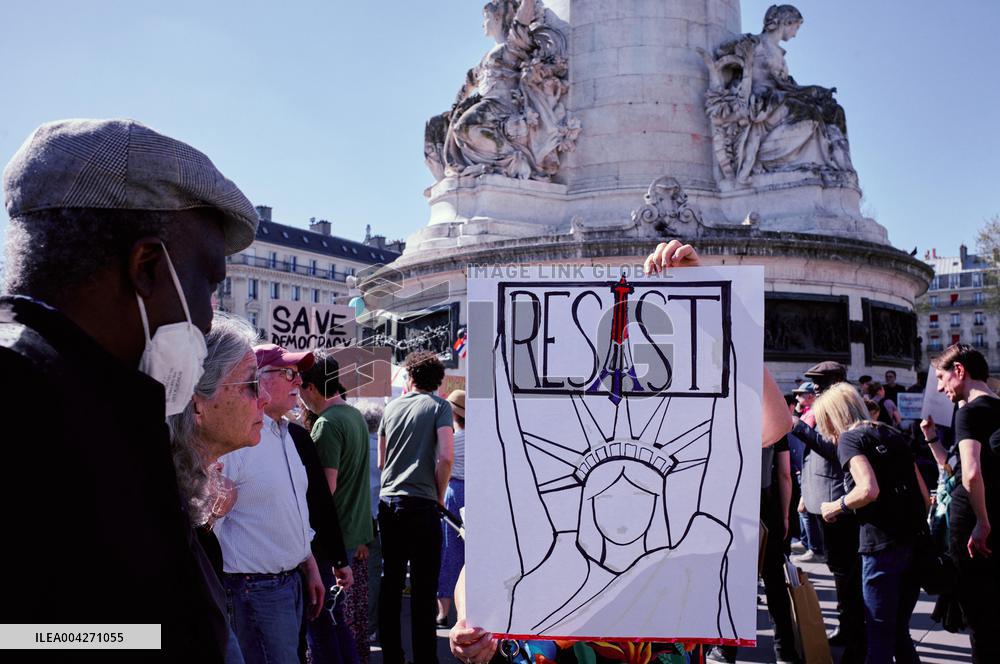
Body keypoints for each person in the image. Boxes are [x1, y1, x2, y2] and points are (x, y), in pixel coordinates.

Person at [451, 240, 793, 663]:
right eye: (610, 497)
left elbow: (773, 423)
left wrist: (712, 303)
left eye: (639, 496)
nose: (624, 510)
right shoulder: (553, 555)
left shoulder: (686, 552)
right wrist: (466, 622)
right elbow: (484, 561)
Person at [0, 118, 258, 659]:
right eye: (208, 284)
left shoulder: (100, 399)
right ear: (146, 267)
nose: (208, 318)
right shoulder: (25, 400)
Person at [168, 313, 270, 663]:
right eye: (252, 384)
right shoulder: (148, 506)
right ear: (197, 402)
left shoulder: (176, 496)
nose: (264, 398)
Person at [215, 345, 327, 664]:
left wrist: (308, 563)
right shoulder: (238, 436)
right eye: (289, 373)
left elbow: (291, 507)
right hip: (254, 589)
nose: (299, 382)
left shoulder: (284, 432)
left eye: (299, 375)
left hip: (288, 582)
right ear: (258, 379)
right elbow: (209, 523)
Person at [813, 383, 929, 664]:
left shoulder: (850, 439)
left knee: (878, 639)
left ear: (831, 417)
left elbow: (868, 489)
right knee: (899, 634)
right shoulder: (892, 433)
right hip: (914, 543)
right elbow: (925, 497)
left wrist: (835, 506)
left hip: (881, 547)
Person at [378, 350, 455, 664]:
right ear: (437, 380)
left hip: (390, 502)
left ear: (409, 376)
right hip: (423, 504)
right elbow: (446, 457)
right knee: (424, 589)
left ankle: (392, 656)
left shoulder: (391, 408)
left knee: (391, 584)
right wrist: (439, 495)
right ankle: (425, 658)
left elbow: (382, 461)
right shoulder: (440, 407)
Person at [926, 344, 1000, 662]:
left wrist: (982, 522)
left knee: (980, 617)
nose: (939, 388)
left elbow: (970, 473)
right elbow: (956, 469)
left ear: (959, 371)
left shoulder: (969, 412)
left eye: (941, 378)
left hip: (974, 527)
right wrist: (932, 439)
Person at [301, 351, 374, 663]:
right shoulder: (353, 415)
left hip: (331, 538)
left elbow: (325, 491)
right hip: (349, 532)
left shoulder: (327, 424)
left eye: (299, 386)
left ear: (311, 388)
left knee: (321, 618)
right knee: (334, 617)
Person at [796, 361, 866, 661]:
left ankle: (854, 632)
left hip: (838, 502)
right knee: (840, 570)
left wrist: (799, 427)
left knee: (846, 573)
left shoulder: (843, 406)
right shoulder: (826, 405)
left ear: (837, 382)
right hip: (823, 500)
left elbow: (836, 449)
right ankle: (848, 627)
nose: (815, 389)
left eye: (821, 383)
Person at [437, 389, 467, 628]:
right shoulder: (481, 439)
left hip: (453, 493)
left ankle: (443, 611)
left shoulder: (451, 441)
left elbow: (442, 465)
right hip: (477, 494)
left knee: (449, 552)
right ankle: (467, 611)